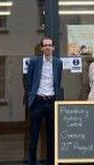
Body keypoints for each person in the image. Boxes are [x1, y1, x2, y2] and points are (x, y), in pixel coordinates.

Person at [24, 36, 62, 165]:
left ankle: (51, 162)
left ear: (53, 48)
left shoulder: (58, 62)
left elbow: (58, 82)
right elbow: (29, 82)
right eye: (45, 45)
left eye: (49, 45)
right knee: (33, 136)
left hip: (51, 102)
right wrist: (31, 98)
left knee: (51, 136)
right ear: (41, 48)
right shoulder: (34, 62)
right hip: (38, 101)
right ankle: (32, 162)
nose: (47, 47)